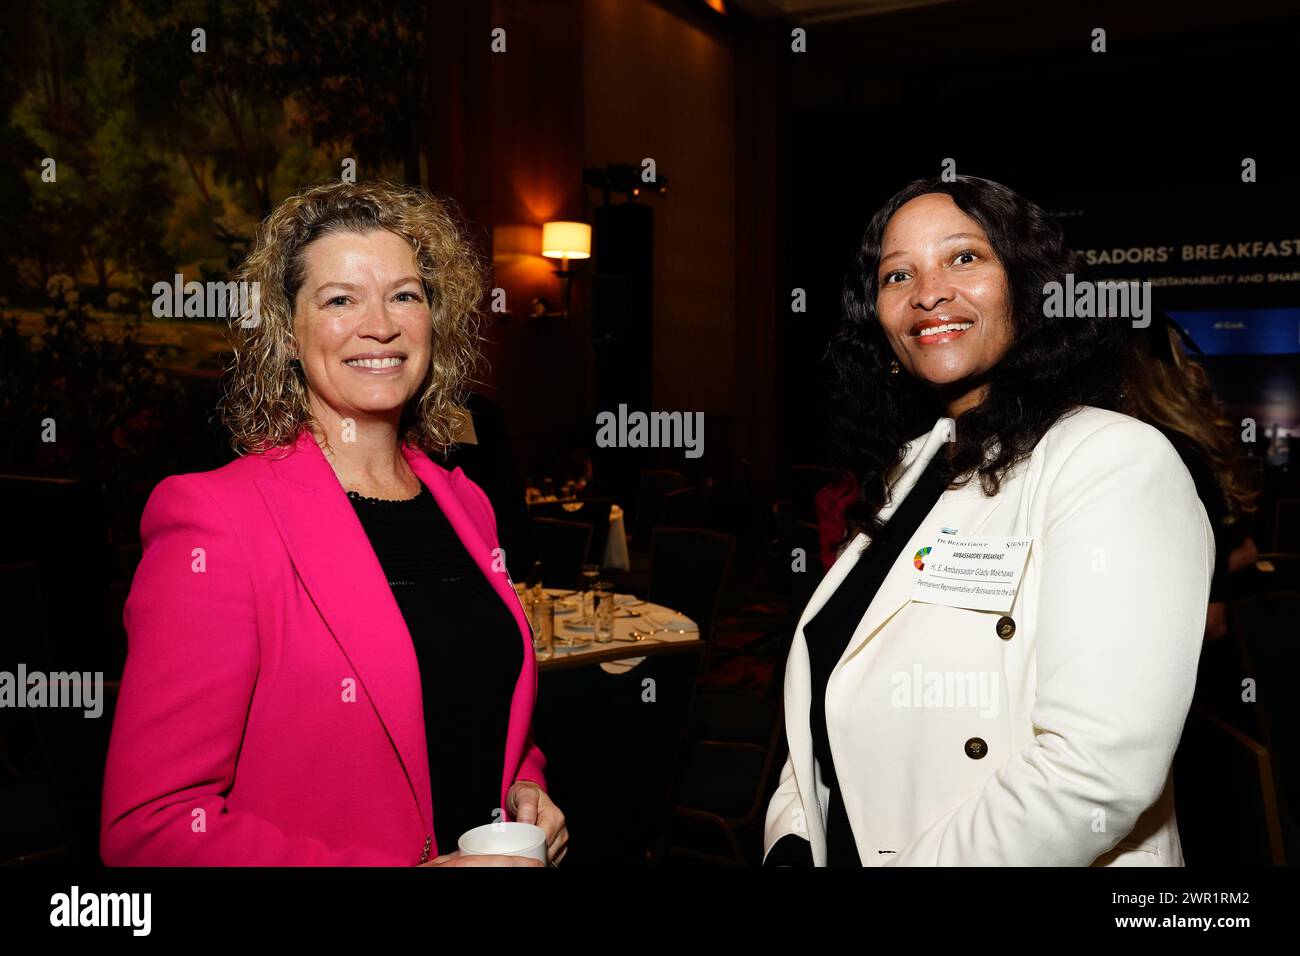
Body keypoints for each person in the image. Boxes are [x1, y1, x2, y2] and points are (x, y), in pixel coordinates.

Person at [101, 180, 567, 866]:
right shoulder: (217, 522)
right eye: (340, 299)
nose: (379, 324)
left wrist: (527, 782)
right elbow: (154, 826)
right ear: (289, 334)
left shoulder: (466, 504)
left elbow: (476, 698)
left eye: (405, 294)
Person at [764, 174, 1212, 866]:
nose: (928, 292)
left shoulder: (1113, 459)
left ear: (1029, 287)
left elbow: (1094, 772)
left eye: (964, 258)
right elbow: (831, 695)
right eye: (897, 274)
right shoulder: (913, 466)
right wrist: (792, 836)